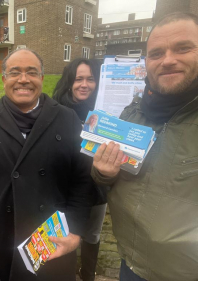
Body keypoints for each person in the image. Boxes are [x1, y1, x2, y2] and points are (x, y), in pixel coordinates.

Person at [0, 48, 95, 281]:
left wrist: (76, 232)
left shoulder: (67, 119)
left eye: (31, 72)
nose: (23, 79)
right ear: (4, 79)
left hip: (49, 243)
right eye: (15, 72)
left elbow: (82, 181)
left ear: (41, 78)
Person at [92, 12, 198, 281]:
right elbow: (113, 178)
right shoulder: (133, 112)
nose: (168, 60)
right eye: (156, 53)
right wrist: (105, 173)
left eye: (183, 48)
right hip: (131, 264)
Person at [53, 58, 107, 281]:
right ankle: (63, 271)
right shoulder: (56, 109)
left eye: (90, 79)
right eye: (78, 79)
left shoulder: (107, 110)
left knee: (92, 234)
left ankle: (87, 275)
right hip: (65, 185)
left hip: (97, 185)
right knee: (65, 232)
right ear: (69, 82)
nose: (84, 84)